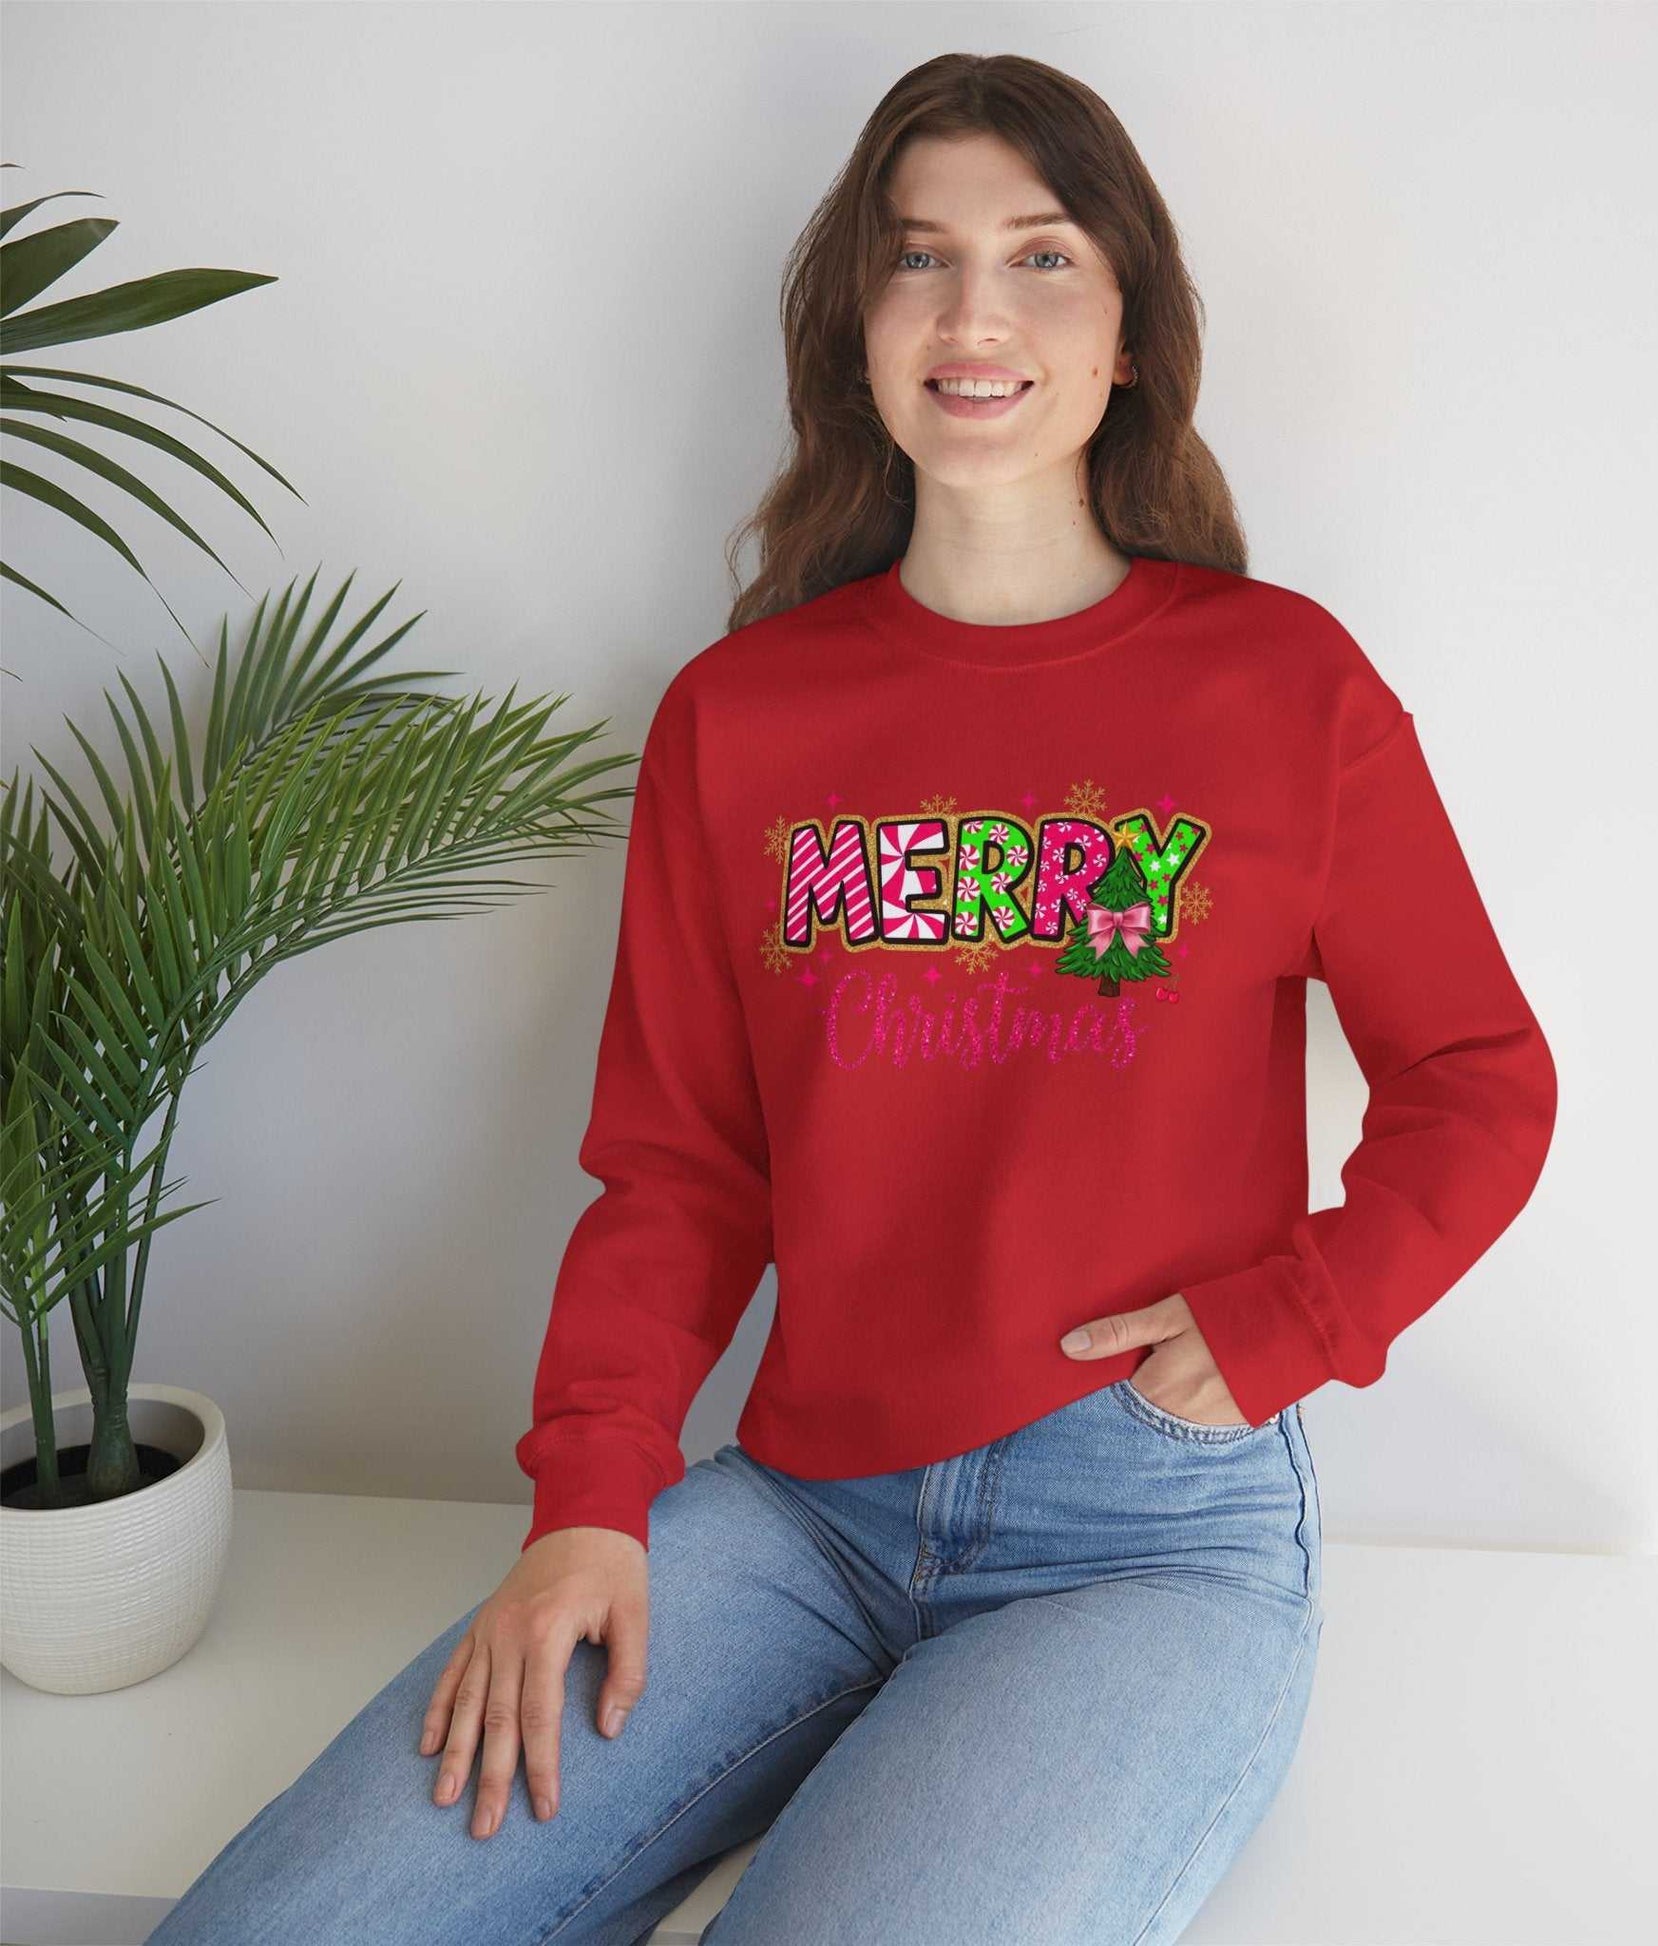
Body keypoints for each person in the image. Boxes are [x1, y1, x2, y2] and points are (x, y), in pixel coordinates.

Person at [148, 51, 1557, 1946]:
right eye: (918, 260)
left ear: (1127, 328)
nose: (975, 313)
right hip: (801, 1504)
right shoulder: (744, 717)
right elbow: (679, 1168)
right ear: (859, 326)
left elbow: (1479, 1075)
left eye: (1041, 258)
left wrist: (1294, 1313)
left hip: (1143, 1534)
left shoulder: (1280, 688)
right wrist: (590, 1495)